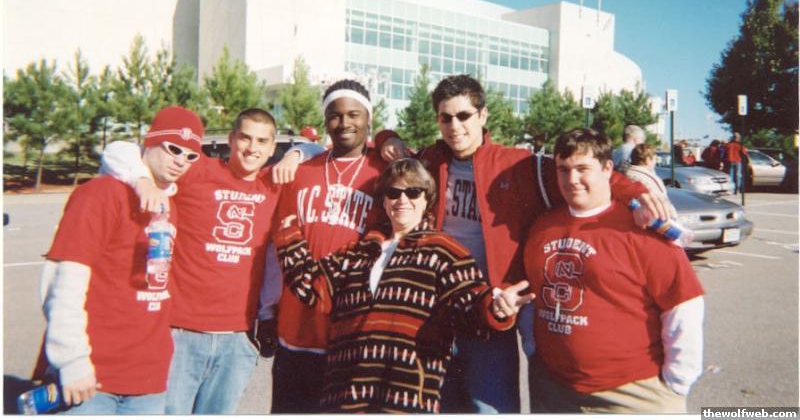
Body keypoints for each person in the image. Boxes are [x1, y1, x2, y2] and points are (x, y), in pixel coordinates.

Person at [370, 75, 667, 413]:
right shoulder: (429, 161)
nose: (455, 126)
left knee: (491, 408)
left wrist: (640, 195)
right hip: (434, 312)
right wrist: (386, 137)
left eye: (464, 116)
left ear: (483, 115)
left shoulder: (519, 164)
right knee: (434, 406)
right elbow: (381, 157)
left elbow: (591, 176)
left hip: (492, 310)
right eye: (446, 118)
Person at [273, 158, 534, 413]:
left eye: (413, 192)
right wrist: (289, 238)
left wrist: (496, 308)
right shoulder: (359, 251)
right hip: (347, 397)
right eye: (393, 192)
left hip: (406, 400)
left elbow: (469, 307)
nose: (402, 200)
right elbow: (314, 289)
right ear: (384, 201)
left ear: (427, 199)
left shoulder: (444, 251)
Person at [100, 108, 284, 414]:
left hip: (237, 338)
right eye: (245, 138)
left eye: (262, 141)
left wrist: (298, 154)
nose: (252, 148)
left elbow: (319, 154)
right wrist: (141, 180)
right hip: (180, 331)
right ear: (231, 139)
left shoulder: (273, 185)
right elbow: (118, 150)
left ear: (273, 147)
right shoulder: (199, 171)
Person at [524, 128, 705, 413]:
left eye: (583, 169)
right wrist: (533, 349)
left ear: (608, 168)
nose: (572, 179)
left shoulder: (642, 228)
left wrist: (677, 382)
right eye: (563, 170)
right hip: (554, 389)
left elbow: (683, 305)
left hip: (631, 393)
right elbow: (533, 296)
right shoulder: (542, 226)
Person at [38, 106, 204, 414]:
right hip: (92, 378)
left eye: (191, 155)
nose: (181, 160)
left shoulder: (170, 204)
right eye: (173, 149)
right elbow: (63, 280)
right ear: (149, 142)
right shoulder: (100, 194)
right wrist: (72, 360)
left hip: (150, 380)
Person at [268, 78, 399, 413]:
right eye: (335, 115)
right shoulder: (301, 170)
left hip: (353, 332)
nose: (344, 123)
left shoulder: (387, 174)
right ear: (325, 120)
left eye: (354, 114)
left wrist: (390, 138)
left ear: (369, 119)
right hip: (297, 328)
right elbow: (278, 242)